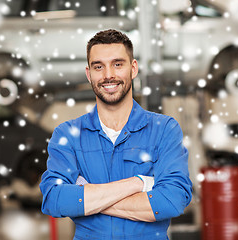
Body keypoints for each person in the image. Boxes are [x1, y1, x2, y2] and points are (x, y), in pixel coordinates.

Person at [40, 29, 192, 240]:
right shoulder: (68, 135)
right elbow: (54, 200)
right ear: (88, 74)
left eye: (117, 64)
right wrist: (138, 183)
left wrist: (87, 198)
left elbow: (172, 201)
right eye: (98, 66)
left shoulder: (164, 129)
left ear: (133, 68)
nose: (108, 75)